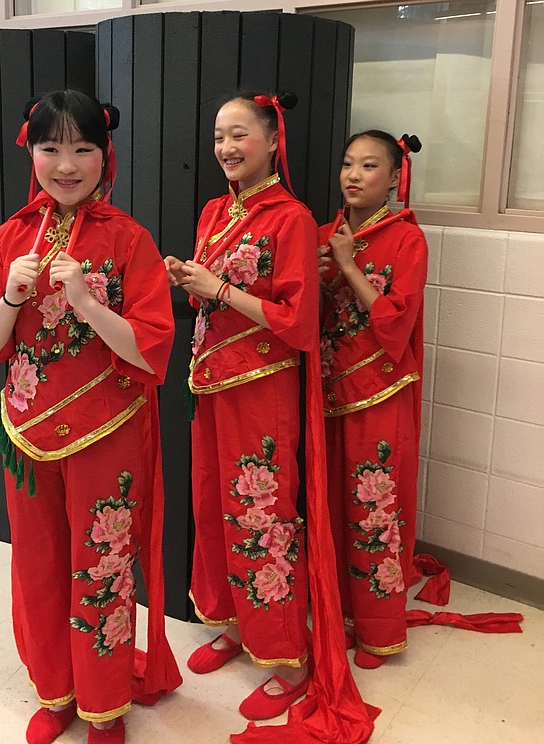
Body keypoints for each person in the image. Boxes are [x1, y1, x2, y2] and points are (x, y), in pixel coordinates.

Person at [0, 89, 181, 744]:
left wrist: (85, 298)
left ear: (104, 154)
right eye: (51, 147)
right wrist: (9, 294)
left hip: (107, 435)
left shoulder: (129, 241)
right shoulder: (9, 239)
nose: (67, 162)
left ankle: (105, 702)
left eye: (82, 147)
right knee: (38, 562)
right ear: (30, 152)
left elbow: (150, 349)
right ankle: (55, 690)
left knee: (103, 564)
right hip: (26, 432)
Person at [164, 92, 373, 741]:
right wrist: (191, 280)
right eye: (219, 136)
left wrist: (217, 290)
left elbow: (299, 322)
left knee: (263, 514)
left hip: (265, 391)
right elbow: (218, 301)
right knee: (213, 507)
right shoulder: (211, 211)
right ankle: (232, 624)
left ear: (272, 141)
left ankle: (286, 653)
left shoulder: (291, 219)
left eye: (239, 135)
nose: (226, 147)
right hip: (212, 386)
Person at [317, 130, 427, 670]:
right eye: (347, 164)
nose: (353, 176)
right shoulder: (325, 232)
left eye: (368, 166)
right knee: (329, 505)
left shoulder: (409, 241)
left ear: (393, 179)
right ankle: (336, 614)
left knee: (374, 511)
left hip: (381, 394)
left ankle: (380, 629)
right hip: (328, 390)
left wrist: (348, 266)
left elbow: (395, 325)